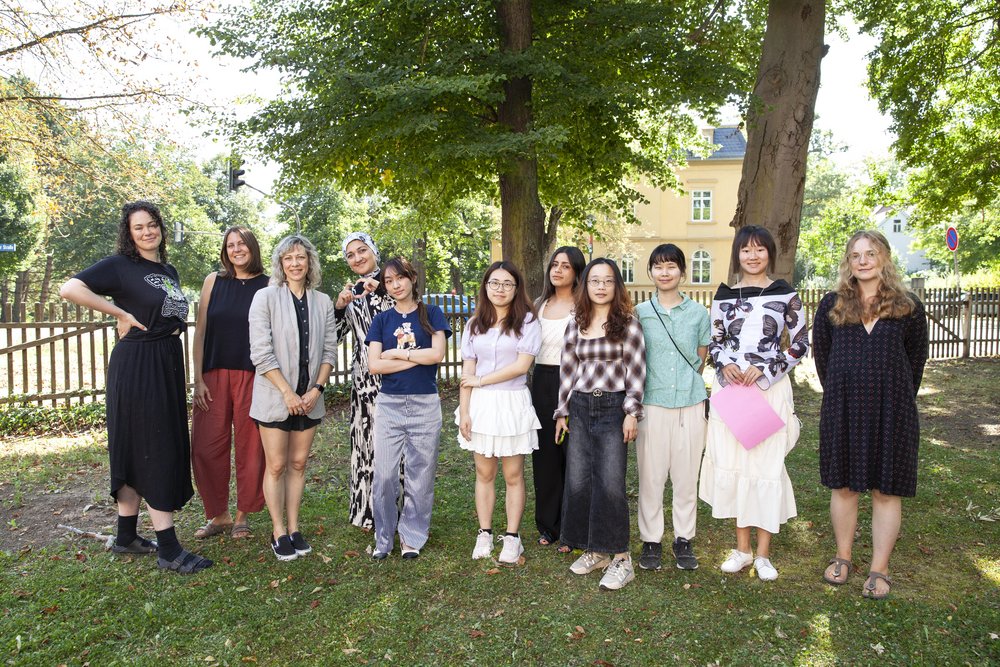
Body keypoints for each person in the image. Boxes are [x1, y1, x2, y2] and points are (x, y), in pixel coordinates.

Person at [59, 201, 211, 574]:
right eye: (138, 227)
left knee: (138, 443)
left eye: (152, 224)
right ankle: (169, 548)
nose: (147, 231)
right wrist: (120, 313)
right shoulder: (120, 266)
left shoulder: (168, 270)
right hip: (139, 363)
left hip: (165, 361)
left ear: (160, 227)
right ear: (128, 233)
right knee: (153, 446)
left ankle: (126, 536)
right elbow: (70, 288)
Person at [812, 230, 928, 600]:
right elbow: (823, 359)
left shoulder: (908, 307)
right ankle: (843, 556)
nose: (863, 261)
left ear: (884, 258)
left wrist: (891, 394)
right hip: (844, 408)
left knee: (886, 489)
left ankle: (880, 567)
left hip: (892, 410)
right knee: (844, 486)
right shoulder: (831, 305)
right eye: (856, 255)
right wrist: (844, 390)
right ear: (848, 261)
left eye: (871, 253)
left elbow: (915, 362)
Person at [699, 225, 809, 581]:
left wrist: (766, 369)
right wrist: (724, 364)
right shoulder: (724, 296)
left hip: (767, 390)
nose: (753, 255)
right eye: (746, 249)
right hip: (732, 392)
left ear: (769, 254)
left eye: (760, 249)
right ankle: (742, 550)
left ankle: (763, 555)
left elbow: (801, 343)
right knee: (736, 466)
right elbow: (715, 342)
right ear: (737, 254)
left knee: (765, 467)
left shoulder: (785, 294)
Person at [554, 258, 646, 591]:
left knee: (610, 483)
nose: (601, 286)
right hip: (580, 406)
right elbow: (568, 369)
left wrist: (631, 412)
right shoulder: (576, 323)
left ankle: (621, 557)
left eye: (608, 280)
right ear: (586, 285)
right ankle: (596, 550)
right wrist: (562, 411)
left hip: (613, 407)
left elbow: (636, 370)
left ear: (616, 285)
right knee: (580, 481)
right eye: (595, 280)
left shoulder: (628, 324)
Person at [248, 235, 336, 561]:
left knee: (298, 464)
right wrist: (287, 392)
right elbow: (260, 352)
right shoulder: (265, 297)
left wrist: (316, 390)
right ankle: (278, 530)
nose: (295, 263)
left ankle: (295, 528)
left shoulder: (323, 302)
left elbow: (329, 351)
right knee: (276, 465)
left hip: (310, 399)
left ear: (309, 262)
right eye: (289, 258)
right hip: (275, 398)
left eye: (301, 257)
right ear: (281, 264)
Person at [365, 257, 451, 560]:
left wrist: (397, 354)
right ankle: (383, 538)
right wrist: (417, 356)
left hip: (425, 403)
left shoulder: (432, 313)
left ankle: (412, 536)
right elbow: (375, 365)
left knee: (421, 474)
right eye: (388, 281)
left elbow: (437, 355)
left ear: (412, 278)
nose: (395, 285)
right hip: (389, 404)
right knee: (384, 476)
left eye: (400, 278)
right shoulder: (382, 320)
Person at [457, 261, 541, 565]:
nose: (500, 289)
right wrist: (465, 412)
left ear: (516, 289)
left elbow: (521, 366)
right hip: (481, 406)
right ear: (486, 286)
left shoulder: (527, 321)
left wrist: (481, 380)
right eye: (494, 283)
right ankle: (485, 532)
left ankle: (513, 536)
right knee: (484, 473)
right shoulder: (474, 324)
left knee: (513, 474)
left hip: (511, 403)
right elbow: (467, 373)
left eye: (507, 284)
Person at [635, 244, 711, 572]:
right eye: (658, 266)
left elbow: (701, 354)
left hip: (690, 403)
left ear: (682, 271)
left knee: (686, 476)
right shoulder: (639, 313)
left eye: (671, 266)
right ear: (650, 272)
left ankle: (684, 539)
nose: (665, 273)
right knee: (650, 477)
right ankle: (651, 540)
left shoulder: (698, 313)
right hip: (651, 403)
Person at [191, 227, 269, 540]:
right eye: (230, 245)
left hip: (253, 375)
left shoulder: (269, 285)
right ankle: (218, 514)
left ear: (252, 247)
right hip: (212, 375)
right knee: (206, 445)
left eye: (242, 244)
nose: (236, 249)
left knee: (251, 447)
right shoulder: (213, 281)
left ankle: (242, 516)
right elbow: (200, 331)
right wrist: (197, 378)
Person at [334, 232, 396, 531]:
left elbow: (411, 313)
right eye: (350, 255)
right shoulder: (352, 293)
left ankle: (398, 512)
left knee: (396, 448)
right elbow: (333, 337)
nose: (357, 257)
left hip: (397, 377)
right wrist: (339, 307)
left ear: (374, 251)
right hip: (364, 383)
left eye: (362, 250)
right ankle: (368, 512)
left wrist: (382, 288)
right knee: (366, 445)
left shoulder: (393, 281)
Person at [531, 246, 586, 551]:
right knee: (545, 456)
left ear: (577, 272)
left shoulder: (585, 305)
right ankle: (548, 525)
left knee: (573, 455)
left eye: (565, 266)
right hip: (542, 381)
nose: (558, 270)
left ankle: (573, 527)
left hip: (576, 382)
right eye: (554, 264)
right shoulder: (538, 305)